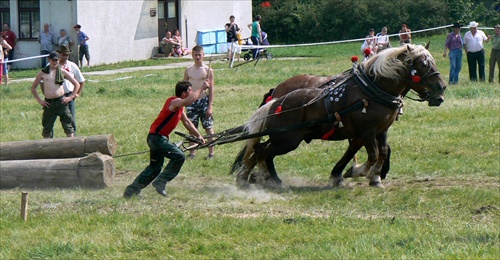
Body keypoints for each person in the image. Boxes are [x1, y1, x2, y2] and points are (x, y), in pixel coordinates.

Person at [123, 80, 209, 198]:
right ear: (183, 93)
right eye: (190, 90)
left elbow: (187, 122)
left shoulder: (179, 107)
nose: (192, 92)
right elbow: (189, 100)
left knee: (155, 167)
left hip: (157, 138)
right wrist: (201, 87)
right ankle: (160, 181)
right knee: (179, 157)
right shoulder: (174, 101)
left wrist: (198, 136)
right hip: (157, 139)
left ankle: (131, 191)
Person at [31, 52, 81, 138]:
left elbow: (77, 84)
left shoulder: (62, 71)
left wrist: (71, 97)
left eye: (57, 60)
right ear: (49, 60)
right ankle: (47, 148)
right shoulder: (42, 73)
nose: (55, 62)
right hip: (49, 103)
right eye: (53, 60)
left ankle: (71, 146)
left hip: (61, 101)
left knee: (68, 126)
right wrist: (40, 101)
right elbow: (33, 88)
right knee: (47, 128)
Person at [183, 45, 215, 160]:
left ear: (203, 55)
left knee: (208, 127)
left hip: (204, 101)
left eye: (199, 55)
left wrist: (210, 106)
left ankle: (211, 153)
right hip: (191, 102)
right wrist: (183, 102)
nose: (197, 57)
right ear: (192, 55)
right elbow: (183, 87)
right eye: (195, 55)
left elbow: (211, 90)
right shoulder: (188, 70)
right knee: (192, 128)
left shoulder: (208, 70)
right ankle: (192, 153)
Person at [56, 45, 85, 134]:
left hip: (69, 95)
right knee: (51, 120)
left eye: (67, 55)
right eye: (63, 55)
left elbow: (81, 81)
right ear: (59, 54)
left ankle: (74, 140)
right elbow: (42, 81)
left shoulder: (72, 66)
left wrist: (77, 94)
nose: (65, 57)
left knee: (71, 119)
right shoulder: (52, 65)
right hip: (56, 96)